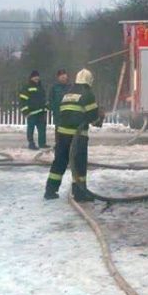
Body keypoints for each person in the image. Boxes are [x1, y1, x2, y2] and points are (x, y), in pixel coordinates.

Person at [45, 68, 102, 202]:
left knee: (59, 162)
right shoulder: (87, 94)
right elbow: (93, 118)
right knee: (79, 164)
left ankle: (50, 190)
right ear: (89, 80)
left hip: (62, 134)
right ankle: (80, 193)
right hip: (78, 137)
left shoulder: (68, 93)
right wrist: (99, 117)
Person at [19, 70, 48, 150]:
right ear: (31, 78)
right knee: (31, 129)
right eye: (35, 76)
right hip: (31, 113)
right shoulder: (27, 87)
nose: (36, 78)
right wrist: (25, 111)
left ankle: (42, 143)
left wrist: (45, 107)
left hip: (41, 112)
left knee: (42, 129)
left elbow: (43, 99)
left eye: (37, 76)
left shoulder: (40, 87)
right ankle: (31, 143)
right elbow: (22, 100)